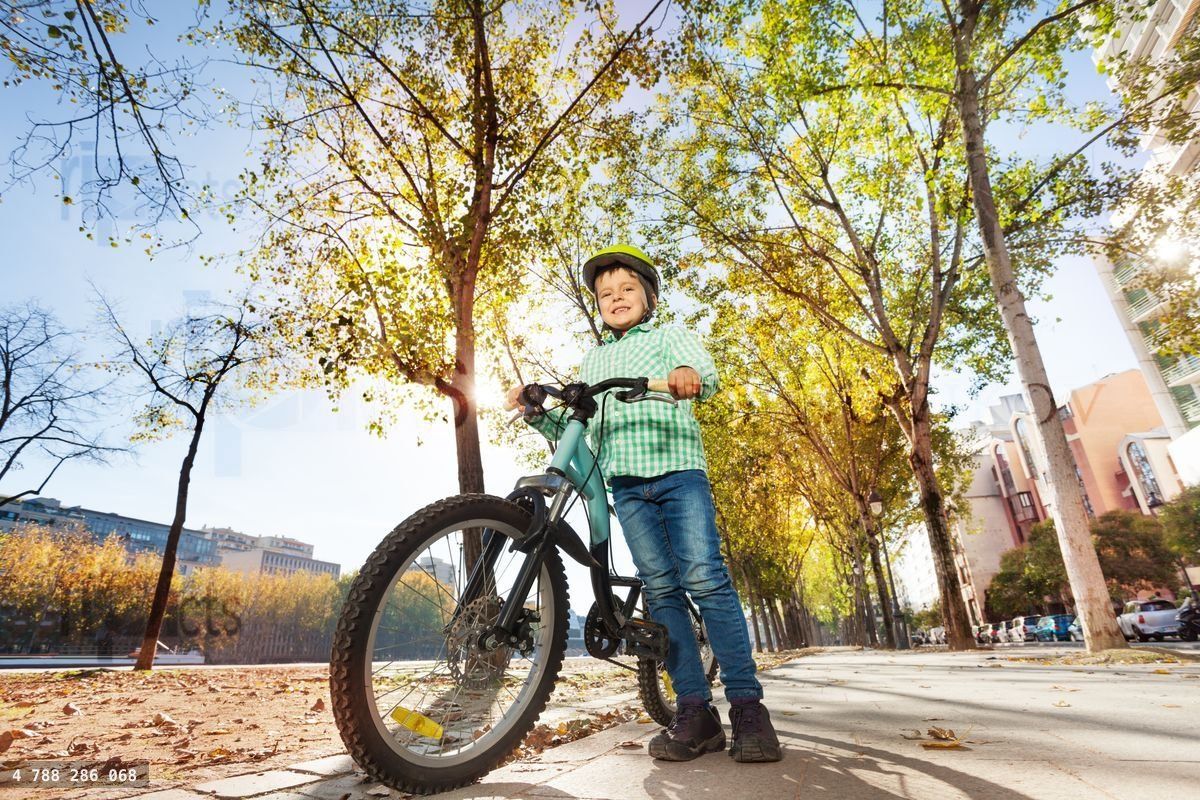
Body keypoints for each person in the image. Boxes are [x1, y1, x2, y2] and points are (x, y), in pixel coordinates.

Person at [506, 243, 782, 763]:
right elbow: (578, 425)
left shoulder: (668, 336)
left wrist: (685, 376)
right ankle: (695, 712)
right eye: (605, 294)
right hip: (627, 487)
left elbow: (704, 372)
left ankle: (748, 707)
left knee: (706, 578)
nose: (616, 298)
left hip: (679, 473)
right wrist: (537, 412)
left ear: (648, 297)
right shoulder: (593, 359)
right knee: (663, 591)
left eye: (627, 289)